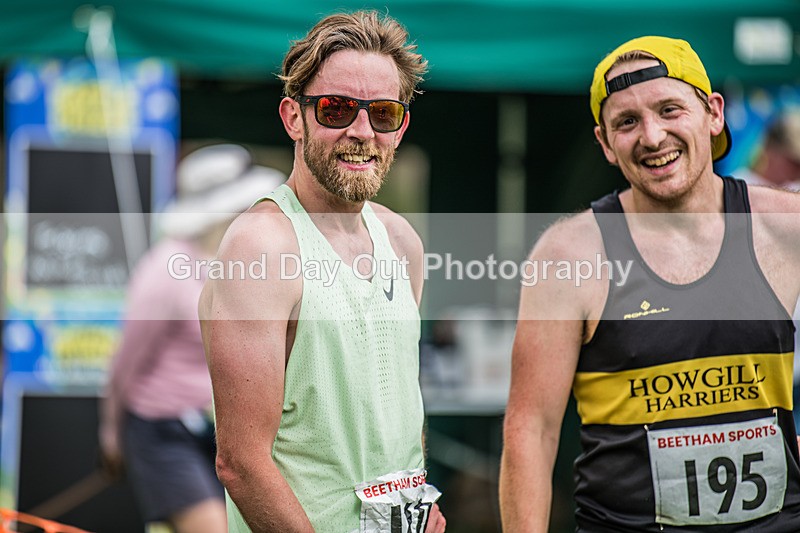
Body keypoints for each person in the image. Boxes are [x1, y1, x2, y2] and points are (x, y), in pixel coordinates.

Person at [499, 36, 800, 532]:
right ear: (605, 144)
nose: (653, 136)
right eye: (627, 122)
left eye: (669, 110)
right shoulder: (568, 255)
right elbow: (532, 429)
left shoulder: (784, 227)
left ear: (714, 114)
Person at [198, 11, 446, 533]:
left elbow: (397, 409)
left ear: (401, 127)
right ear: (294, 117)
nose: (361, 131)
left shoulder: (402, 241)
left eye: (383, 113)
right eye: (336, 109)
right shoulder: (262, 245)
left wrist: (418, 500)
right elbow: (241, 463)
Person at [99, 143, 284, 532]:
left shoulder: (249, 264)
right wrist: (112, 434)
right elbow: (125, 363)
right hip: (163, 430)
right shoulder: (164, 270)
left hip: (226, 430)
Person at [735, 108, 800, 190]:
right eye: (793, 163)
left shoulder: (796, 187)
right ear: (772, 150)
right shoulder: (740, 183)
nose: (797, 171)